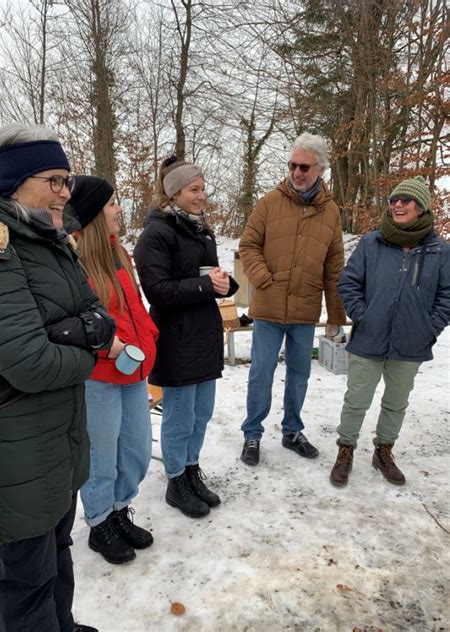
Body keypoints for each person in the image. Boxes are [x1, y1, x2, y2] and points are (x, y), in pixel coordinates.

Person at [0, 123, 115, 632]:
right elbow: (28, 361)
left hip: (55, 439)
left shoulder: (46, 238)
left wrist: (75, 332)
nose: (65, 192)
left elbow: (100, 317)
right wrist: (87, 354)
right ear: (14, 183)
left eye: (67, 180)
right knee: (24, 581)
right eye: (53, 180)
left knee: (57, 555)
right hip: (11, 448)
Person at [134, 156, 238, 518]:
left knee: (201, 414)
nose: (202, 196)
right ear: (175, 193)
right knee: (178, 417)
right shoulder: (156, 234)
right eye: (195, 190)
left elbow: (209, 276)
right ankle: (176, 480)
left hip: (204, 335)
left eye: (203, 189)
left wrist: (225, 284)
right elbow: (158, 291)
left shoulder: (200, 229)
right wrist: (204, 285)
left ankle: (192, 470)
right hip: (176, 339)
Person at [330, 175, 450, 487]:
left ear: (421, 207)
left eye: (405, 200)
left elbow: (447, 296)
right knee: (356, 399)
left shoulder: (439, 250)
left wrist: (429, 327)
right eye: (393, 200)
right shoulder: (373, 242)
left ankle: (384, 450)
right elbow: (348, 282)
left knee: (397, 402)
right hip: (369, 338)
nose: (397, 204)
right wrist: (362, 315)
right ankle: (345, 451)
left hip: (411, 344)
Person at [239, 132, 346, 466]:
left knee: (299, 374)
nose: (297, 172)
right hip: (269, 307)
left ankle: (292, 431)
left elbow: (335, 267)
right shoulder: (269, 203)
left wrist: (336, 317)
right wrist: (263, 279)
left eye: (304, 167)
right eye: (293, 165)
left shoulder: (331, 213)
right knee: (261, 373)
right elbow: (248, 245)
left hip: (305, 308)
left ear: (321, 170)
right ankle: (252, 435)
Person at [68, 175, 158, 565]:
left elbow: (133, 307)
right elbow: (78, 324)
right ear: (92, 214)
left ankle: (120, 509)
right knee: (101, 458)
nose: (119, 209)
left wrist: (150, 337)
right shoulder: (74, 262)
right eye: (111, 204)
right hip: (100, 377)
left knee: (136, 450)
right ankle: (100, 520)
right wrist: (111, 349)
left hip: (134, 373)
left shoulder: (120, 253)